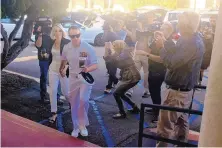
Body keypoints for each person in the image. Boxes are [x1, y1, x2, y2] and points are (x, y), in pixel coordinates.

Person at [155, 12, 205, 147]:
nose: (177, 23)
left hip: (176, 91)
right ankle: (181, 144)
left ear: (185, 24)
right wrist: (166, 42)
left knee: (165, 127)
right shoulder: (190, 38)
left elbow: (171, 63)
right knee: (182, 120)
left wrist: (161, 48)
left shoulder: (191, 42)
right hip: (183, 90)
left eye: (179, 21)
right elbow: (177, 53)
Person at [60, 26, 98, 137]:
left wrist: (87, 69)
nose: (75, 38)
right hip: (72, 78)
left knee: (83, 100)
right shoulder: (67, 47)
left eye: (77, 35)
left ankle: (82, 125)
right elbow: (64, 59)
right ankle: (76, 127)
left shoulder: (87, 47)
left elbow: (95, 64)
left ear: (80, 34)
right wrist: (63, 68)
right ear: (69, 36)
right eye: (72, 36)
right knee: (74, 103)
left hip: (84, 78)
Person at [136, 22, 175, 122]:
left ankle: (158, 115)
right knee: (153, 91)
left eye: (163, 29)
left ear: (169, 31)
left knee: (156, 91)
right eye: (161, 28)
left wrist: (146, 54)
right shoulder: (157, 40)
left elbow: (162, 59)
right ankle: (155, 108)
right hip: (153, 69)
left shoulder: (169, 43)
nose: (160, 30)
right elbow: (149, 50)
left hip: (159, 70)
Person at [104, 40, 141, 119]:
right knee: (120, 93)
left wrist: (110, 51)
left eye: (114, 45)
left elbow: (115, 59)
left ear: (117, 46)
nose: (113, 47)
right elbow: (107, 59)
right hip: (129, 75)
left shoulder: (125, 52)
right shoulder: (119, 53)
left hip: (132, 76)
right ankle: (135, 108)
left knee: (117, 93)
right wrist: (106, 50)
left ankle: (122, 113)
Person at [35, 21, 63, 105]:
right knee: (44, 77)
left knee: (57, 78)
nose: (48, 27)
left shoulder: (54, 34)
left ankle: (57, 98)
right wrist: (40, 34)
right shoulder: (40, 34)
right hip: (44, 60)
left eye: (49, 25)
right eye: (46, 25)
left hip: (54, 59)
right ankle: (43, 97)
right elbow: (38, 45)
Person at [47, 24, 70, 123]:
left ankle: (71, 103)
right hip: (53, 69)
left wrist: (65, 68)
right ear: (53, 32)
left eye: (59, 30)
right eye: (55, 31)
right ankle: (53, 113)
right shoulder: (51, 42)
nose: (57, 33)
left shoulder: (67, 43)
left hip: (63, 70)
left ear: (62, 32)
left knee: (66, 92)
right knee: (53, 90)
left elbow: (71, 58)